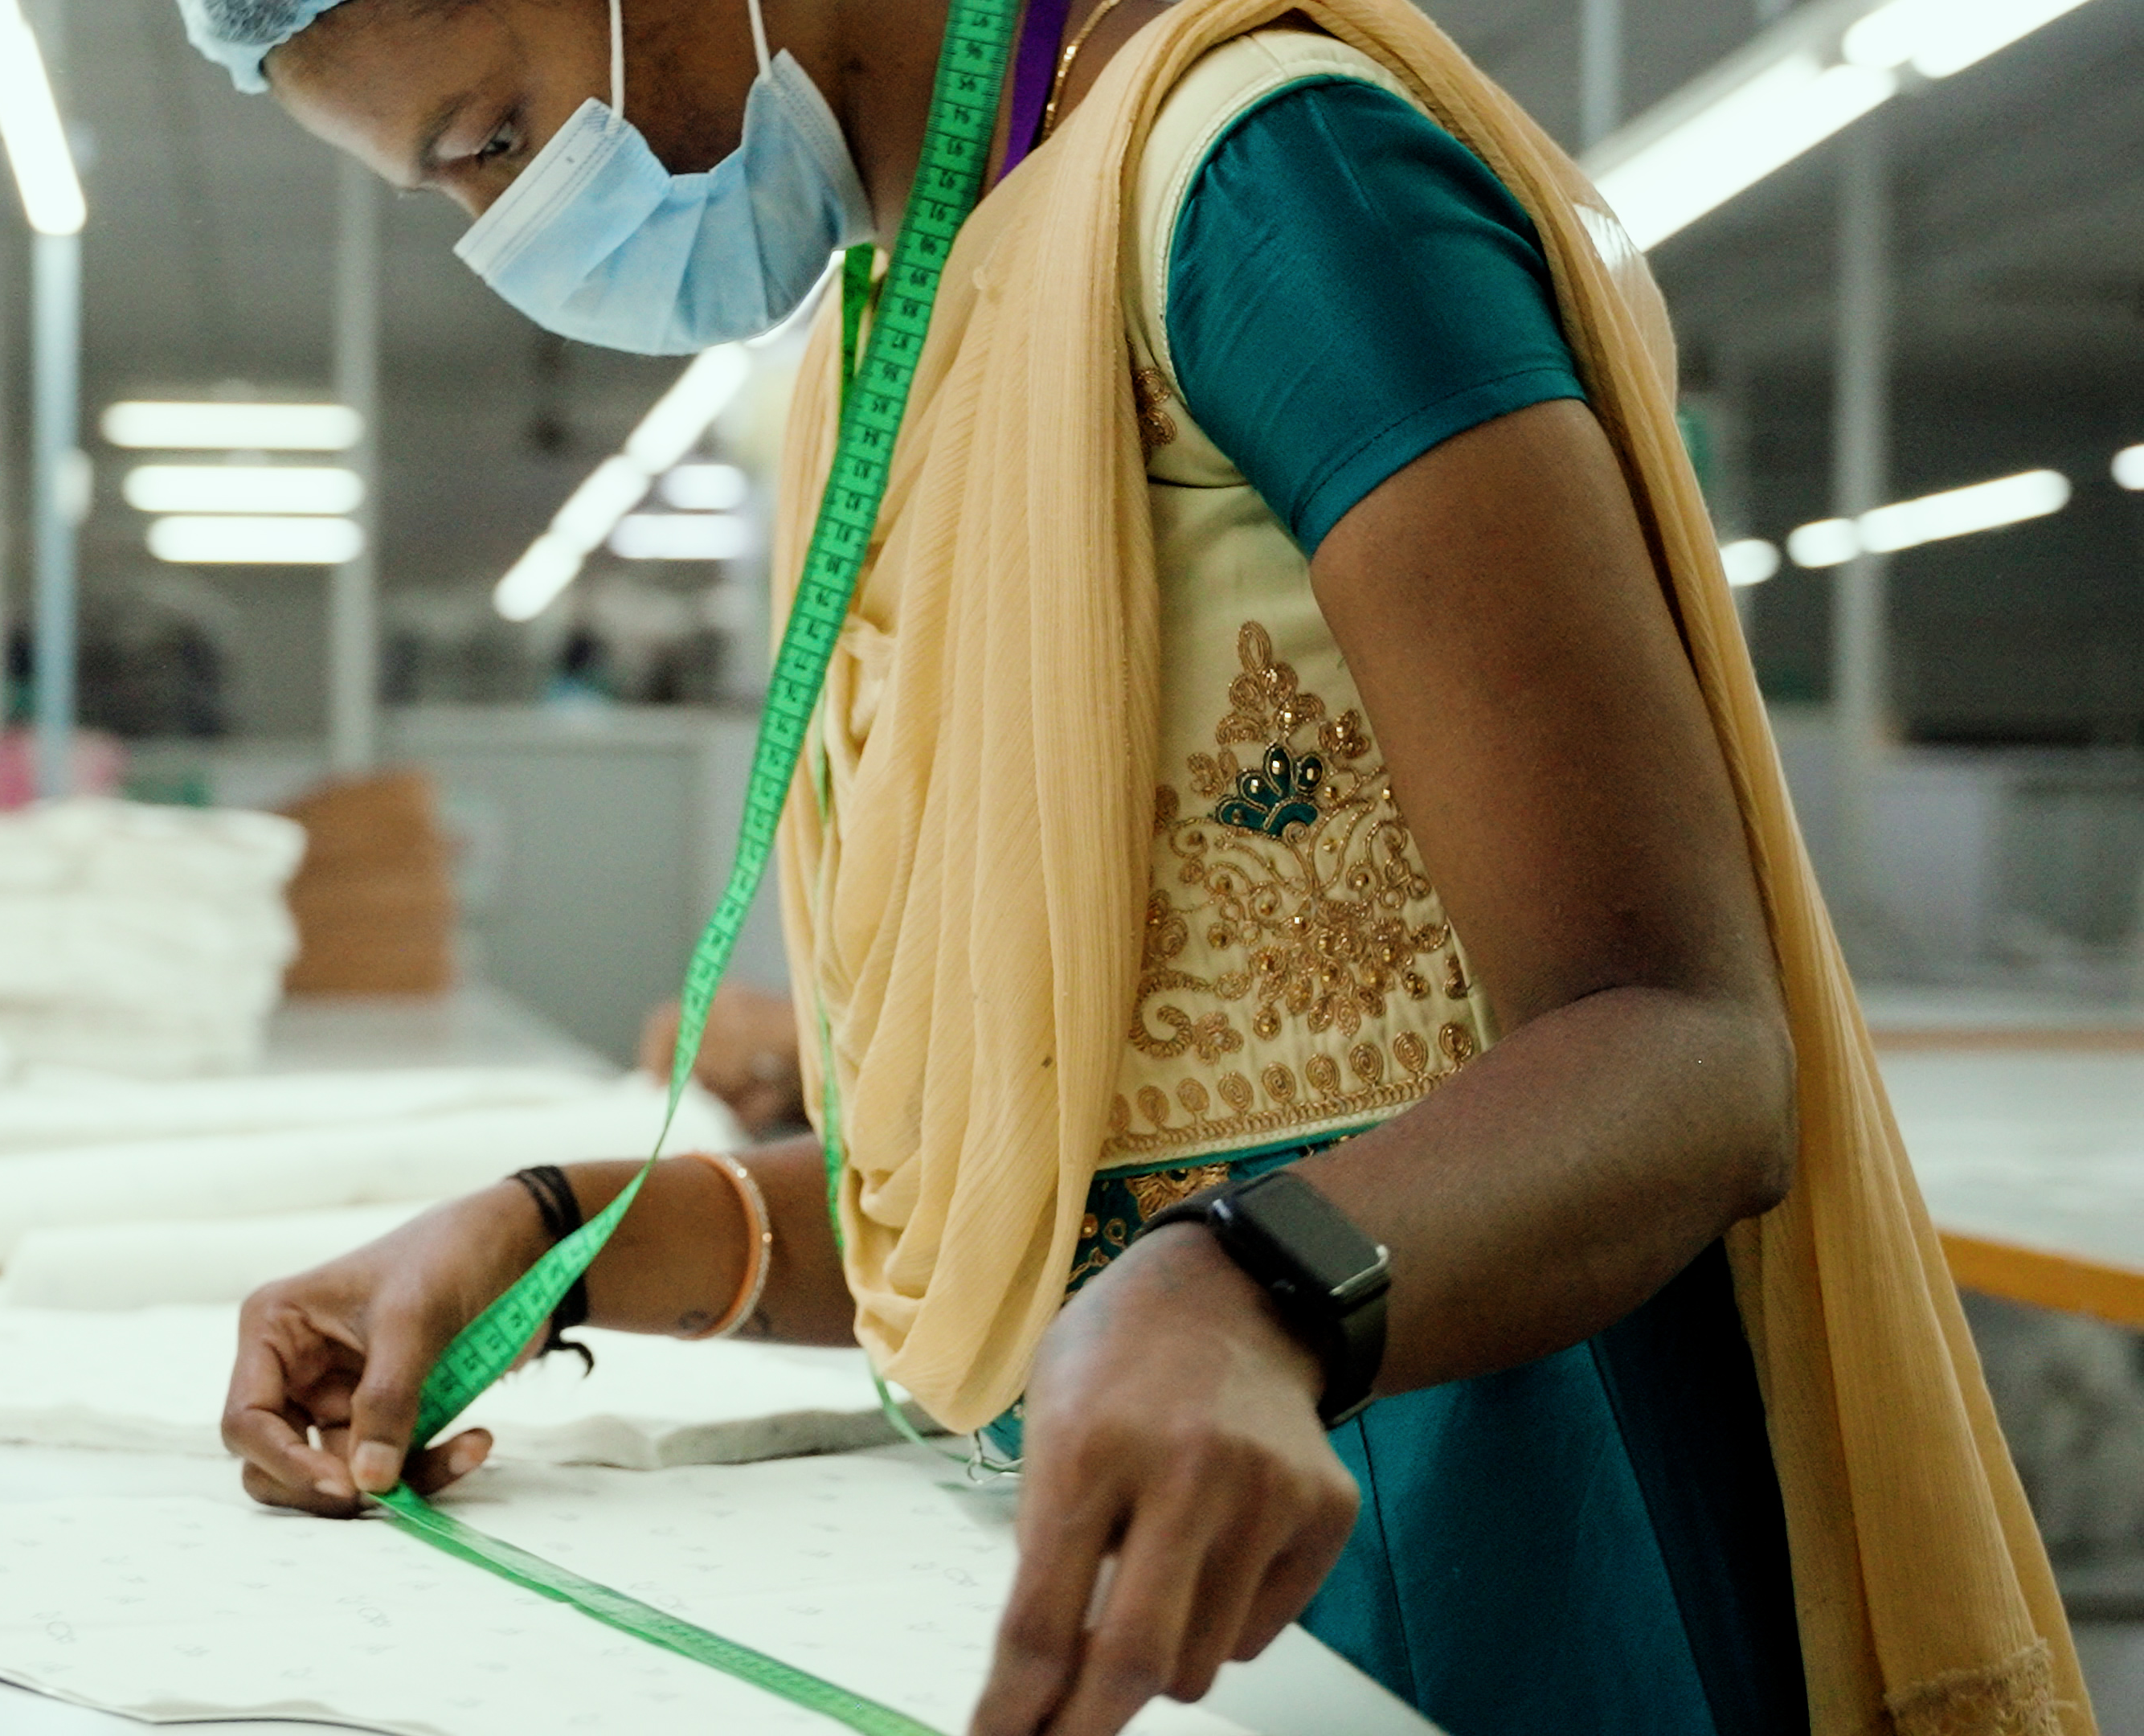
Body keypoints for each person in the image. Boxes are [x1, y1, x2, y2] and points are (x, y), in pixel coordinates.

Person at [184, 2, 2090, 1733]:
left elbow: (1685, 1051)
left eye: (487, 142)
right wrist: (545, 1233)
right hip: (1141, 1510)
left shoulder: (1267, 191)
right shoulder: (900, 341)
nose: (506, 231)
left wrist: (1250, 1292)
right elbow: (1052, 1190)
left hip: (1486, 1499)